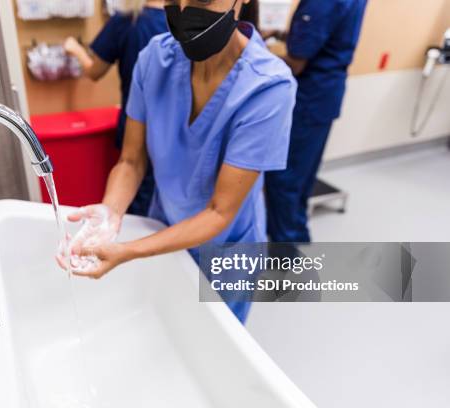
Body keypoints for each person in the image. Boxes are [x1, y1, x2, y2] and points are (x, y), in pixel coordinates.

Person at [59, 0, 296, 322]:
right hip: (164, 226)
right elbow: (131, 161)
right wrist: (110, 212)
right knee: (166, 322)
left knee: (214, 344)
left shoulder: (267, 86)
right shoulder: (155, 59)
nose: (184, 11)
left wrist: (128, 251)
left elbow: (219, 211)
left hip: (227, 248)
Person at [264, 0, 367, 243]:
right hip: (325, 95)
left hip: (309, 98)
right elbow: (324, 35)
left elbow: (297, 62)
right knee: (301, 181)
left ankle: (289, 258)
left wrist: (250, 52)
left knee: (284, 180)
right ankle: (293, 242)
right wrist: (279, 33)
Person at [64, 0, 168, 216]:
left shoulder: (127, 21)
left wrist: (75, 49)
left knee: (141, 205)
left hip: (138, 127)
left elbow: (94, 72)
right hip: (170, 129)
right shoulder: (179, 25)